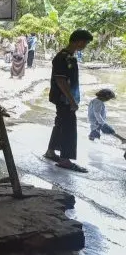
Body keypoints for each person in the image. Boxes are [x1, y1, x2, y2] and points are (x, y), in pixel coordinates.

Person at [44, 29, 94, 173]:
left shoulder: (70, 56)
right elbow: (61, 80)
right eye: (85, 42)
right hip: (63, 98)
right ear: (78, 41)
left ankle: (51, 151)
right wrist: (71, 101)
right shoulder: (63, 57)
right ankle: (65, 160)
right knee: (69, 127)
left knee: (60, 123)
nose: (85, 45)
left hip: (64, 98)